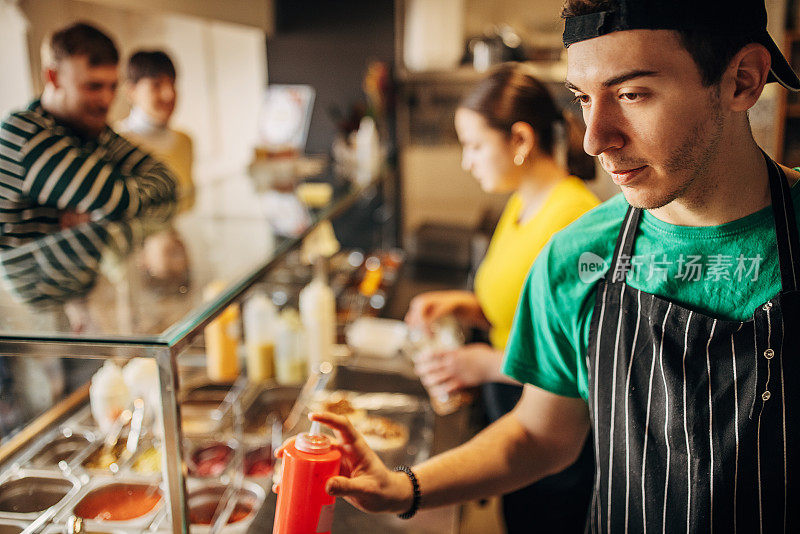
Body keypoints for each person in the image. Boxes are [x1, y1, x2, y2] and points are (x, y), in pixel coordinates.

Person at [277, 0, 800, 531]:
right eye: (582, 99)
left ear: (742, 80)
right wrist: (405, 486)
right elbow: (538, 435)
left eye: (631, 94)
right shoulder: (577, 256)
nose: (595, 139)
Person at [404, 63, 598, 532]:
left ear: (520, 140)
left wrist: (485, 363)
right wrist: (461, 305)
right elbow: (520, 310)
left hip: (553, 429)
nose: (466, 161)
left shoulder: (574, 221)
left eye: (473, 146)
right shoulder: (521, 201)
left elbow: (586, 354)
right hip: (509, 410)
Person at [0, 22, 177, 250]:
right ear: (53, 77)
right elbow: (117, 202)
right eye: (93, 86)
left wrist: (95, 212)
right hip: (30, 285)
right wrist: (106, 206)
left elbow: (166, 179)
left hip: (83, 281)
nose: (107, 100)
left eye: (112, 86)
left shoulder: (91, 130)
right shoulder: (24, 132)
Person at [117, 50, 195, 211]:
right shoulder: (117, 142)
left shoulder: (185, 140)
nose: (169, 94)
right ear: (131, 91)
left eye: (172, 83)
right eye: (156, 85)